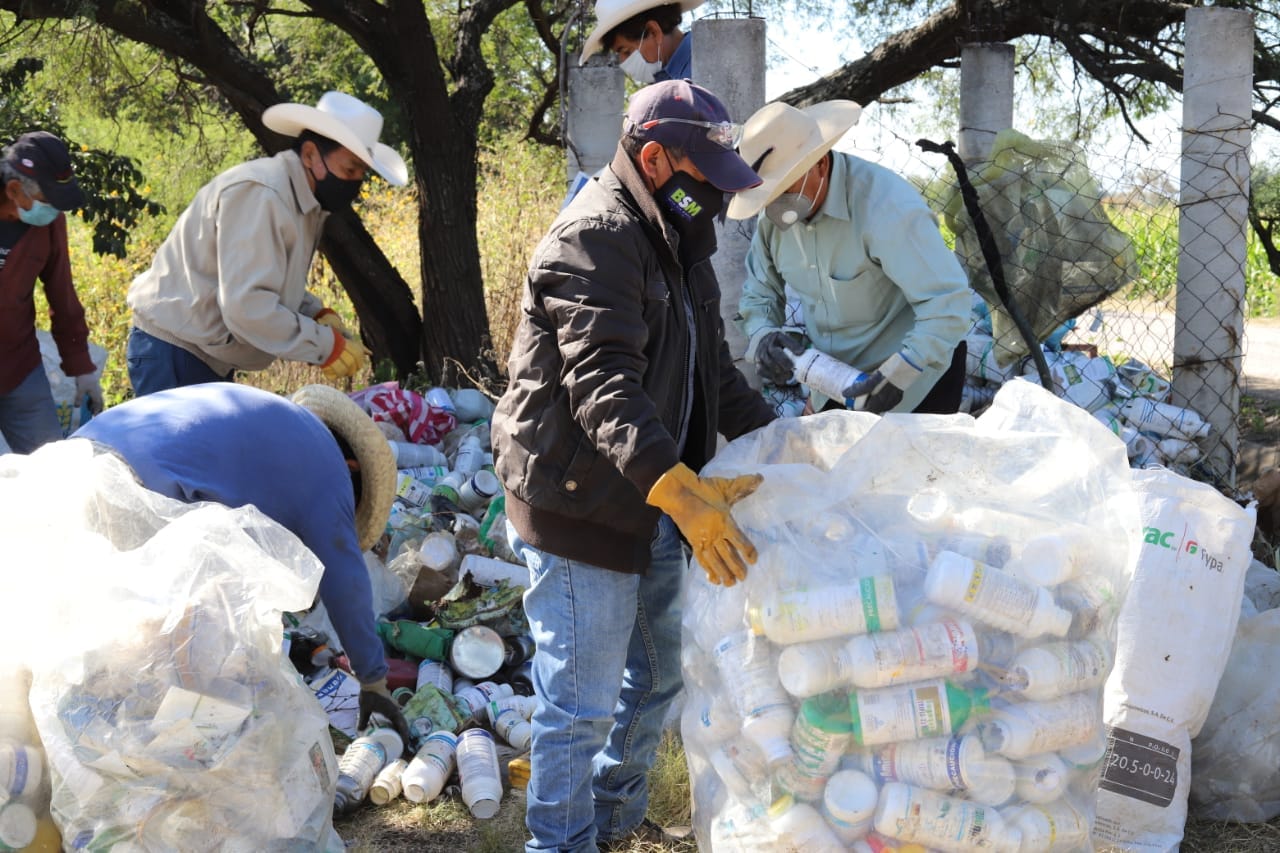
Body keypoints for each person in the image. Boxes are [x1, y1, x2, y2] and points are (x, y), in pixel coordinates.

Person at [492, 79, 776, 852]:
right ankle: (560, 841)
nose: (714, 203)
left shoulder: (679, 240)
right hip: (581, 503)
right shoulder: (596, 237)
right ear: (655, 159)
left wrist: (786, 446)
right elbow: (603, 383)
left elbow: (712, 373)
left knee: (655, 680)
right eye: (705, 186)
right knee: (578, 704)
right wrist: (681, 494)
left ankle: (613, 824)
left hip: (650, 493)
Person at [73, 382, 412, 748]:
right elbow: (345, 582)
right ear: (352, 469)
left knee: (92, 621)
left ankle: (101, 729)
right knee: (165, 640)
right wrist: (373, 680)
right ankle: (165, 749)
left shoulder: (282, 426)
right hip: (128, 485)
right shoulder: (328, 475)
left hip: (77, 454)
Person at [126, 91, 408, 397]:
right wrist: (325, 346)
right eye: (349, 170)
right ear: (311, 155)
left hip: (201, 352)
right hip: (175, 352)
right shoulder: (264, 194)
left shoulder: (300, 198)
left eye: (360, 174)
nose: (354, 182)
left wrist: (313, 312)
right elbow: (247, 305)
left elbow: (266, 276)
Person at [731, 100, 971, 414]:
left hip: (917, 375)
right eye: (766, 196)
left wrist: (899, 374)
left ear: (818, 163)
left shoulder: (887, 207)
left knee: (902, 462)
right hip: (834, 378)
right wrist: (763, 335)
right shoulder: (774, 223)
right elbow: (760, 294)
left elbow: (947, 303)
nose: (774, 205)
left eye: (782, 189)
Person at [0, 131, 102, 454]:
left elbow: (62, 293)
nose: (55, 213)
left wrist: (82, 368)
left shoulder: (49, 224)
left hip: (18, 367)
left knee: (51, 469)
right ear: (15, 191)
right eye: (49, 201)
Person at [580, 0, 703, 85]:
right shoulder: (664, 81)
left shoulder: (707, 68)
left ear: (654, 31)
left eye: (626, 51)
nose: (623, 62)